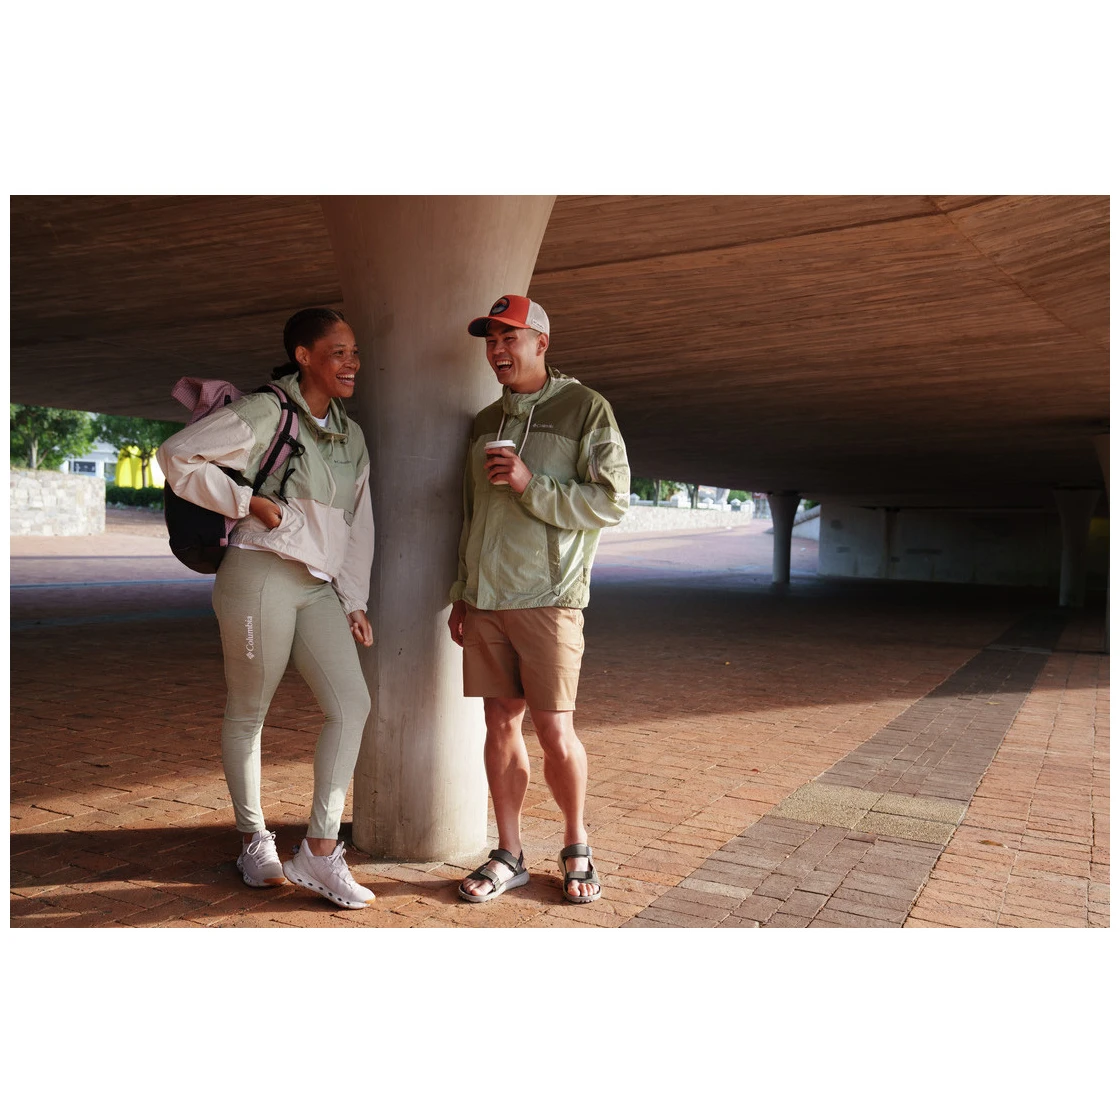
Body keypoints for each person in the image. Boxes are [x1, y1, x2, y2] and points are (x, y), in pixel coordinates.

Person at [157, 308, 377, 909]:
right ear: (304, 356)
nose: (352, 363)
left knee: (351, 706)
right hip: (258, 573)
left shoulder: (353, 437)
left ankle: (320, 851)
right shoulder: (268, 410)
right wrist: (247, 501)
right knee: (249, 711)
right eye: (338, 352)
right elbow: (177, 455)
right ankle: (254, 840)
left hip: (317, 586)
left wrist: (354, 598)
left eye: (354, 352)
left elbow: (358, 524)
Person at [447, 294, 630, 903]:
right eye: (491, 340)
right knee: (499, 722)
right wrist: (463, 593)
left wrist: (532, 484)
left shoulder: (586, 408)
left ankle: (577, 845)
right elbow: (470, 513)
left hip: (549, 597)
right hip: (487, 599)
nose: (498, 350)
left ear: (541, 343)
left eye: (510, 338)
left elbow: (611, 500)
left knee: (554, 729)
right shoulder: (484, 420)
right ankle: (509, 853)